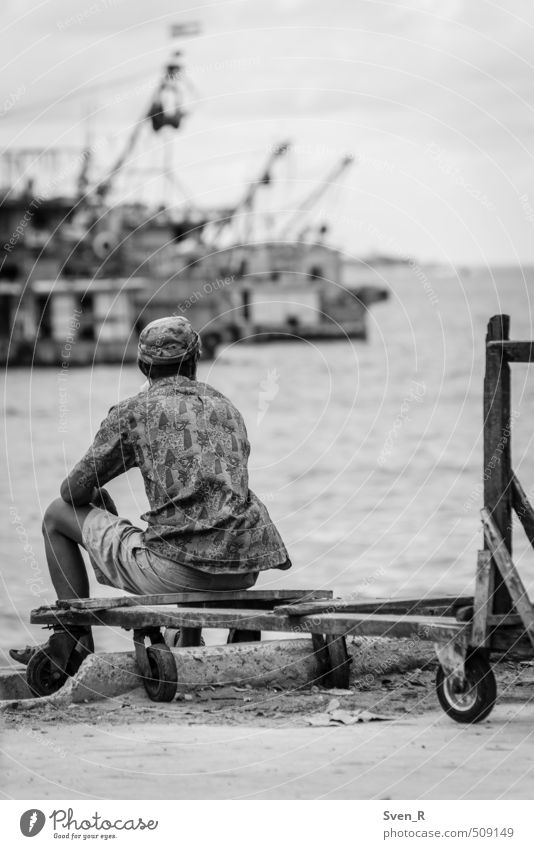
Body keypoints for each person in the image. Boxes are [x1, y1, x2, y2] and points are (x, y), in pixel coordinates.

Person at [10, 316, 290, 669]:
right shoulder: (227, 407)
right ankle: (184, 639)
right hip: (245, 566)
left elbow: (72, 491)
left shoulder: (134, 411)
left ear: (144, 366)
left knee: (55, 515)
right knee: (188, 528)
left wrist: (101, 491)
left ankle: (71, 638)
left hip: (180, 570)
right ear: (194, 361)